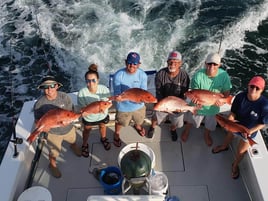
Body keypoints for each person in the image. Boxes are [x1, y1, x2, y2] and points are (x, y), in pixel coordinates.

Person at [212, 76, 268, 179]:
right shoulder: (240, 97)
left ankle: (235, 165)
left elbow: (262, 123)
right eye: (252, 86)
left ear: (262, 90)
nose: (253, 89)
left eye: (257, 88)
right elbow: (233, 112)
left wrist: (250, 131)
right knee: (229, 135)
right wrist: (229, 120)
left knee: (241, 151)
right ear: (248, 85)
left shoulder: (264, 105)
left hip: (249, 131)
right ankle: (224, 147)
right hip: (235, 125)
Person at [34, 75, 81, 178]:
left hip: (68, 129)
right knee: (54, 152)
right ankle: (52, 165)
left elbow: (70, 113)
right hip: (53, 133)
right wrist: (44, 128)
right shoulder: (39, 104)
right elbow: (37, 121)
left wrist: (68, 121)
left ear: (57, 86)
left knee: (73, 139)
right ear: (42, 89)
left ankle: (73, 146)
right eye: (46, 87)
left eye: (52, 85)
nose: (49, 89)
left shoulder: (65, 97)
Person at [181, 53, 232, 146]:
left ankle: (206, 134)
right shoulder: (198, 75)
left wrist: (223, 100)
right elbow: (194, 92)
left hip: (213, 108)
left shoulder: (224, 76)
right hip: (197, 107)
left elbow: (226, 94)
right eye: (209, 64)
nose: (211, 66)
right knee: (191, 120)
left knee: (210, 125)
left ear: (219, 65)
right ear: (205, 63)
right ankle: (187, 130)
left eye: (215, 64)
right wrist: (196, 101)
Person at [147, 51, 190, 140]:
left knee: (176, 122)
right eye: (170, 62)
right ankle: (153, 127)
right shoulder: (160, 74)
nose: (172, 64)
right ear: (167, 62)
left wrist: (178, 107)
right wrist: (164, 106)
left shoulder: (184, 76)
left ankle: (172, 129)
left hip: (177, 104)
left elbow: (184, 94)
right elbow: (158, 92)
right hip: (163, 103)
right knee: (155, 116)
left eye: (175, 62)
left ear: (180, 64)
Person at [112, 52, 148, 147]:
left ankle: (138, 126)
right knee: (120, 123)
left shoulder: (143, 75)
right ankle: (117, 133)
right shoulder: (118, 75)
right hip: (123, 107)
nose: (132, 65)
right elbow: (117, 93)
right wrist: (118, 98)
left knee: (139, 121)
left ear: (139, 64)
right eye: (130, 62)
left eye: (135, 63)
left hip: (138, 107)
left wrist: (142, 99)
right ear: (125, 62)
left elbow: (143, 92)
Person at [77, 64, 111, 157]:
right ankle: (84, 144)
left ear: (98, 80)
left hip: (102, 115)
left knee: (103, 126)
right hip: (89, 117)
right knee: (87, 130)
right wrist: (86, 113)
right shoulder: (82, 93)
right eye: (88, 81)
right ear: (85, 81)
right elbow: (83, 108)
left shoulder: (104, 89)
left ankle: (103, 138)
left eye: (93, 80)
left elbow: (107, 103)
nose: (91, 83)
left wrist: (102, 108)